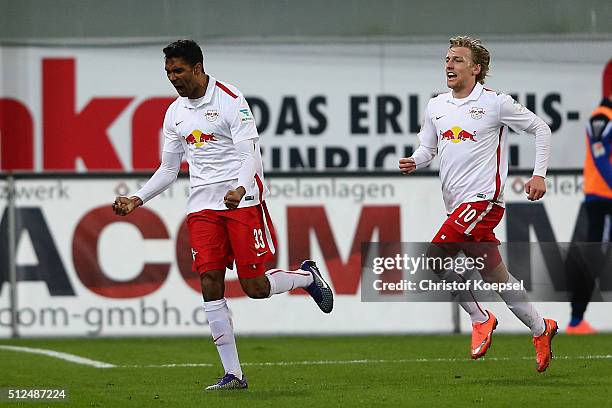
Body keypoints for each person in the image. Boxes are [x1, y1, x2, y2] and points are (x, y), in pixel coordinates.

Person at [112, 39, 333, 390]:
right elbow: (169, 170)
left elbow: (250, 155)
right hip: (202, 206)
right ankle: (234, 374)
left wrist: (241, 188)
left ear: (198, 68)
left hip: (241, 202)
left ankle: (306, 278)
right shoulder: (175, 113)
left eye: (178, 70)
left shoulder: (230, 100)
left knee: (255, 287)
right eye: (168, 71)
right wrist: (137, 199)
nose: (173, 78)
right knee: (209, 281)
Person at [399, 36, 557, 372]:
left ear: (476, 68)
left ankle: (480, 317)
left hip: (484, 202)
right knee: (499, 280)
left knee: (434, 257)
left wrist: (539, 175)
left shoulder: (495, 103)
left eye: (457, 59)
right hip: (456, 206)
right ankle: (542, 329)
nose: (449, 65)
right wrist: (415, 160)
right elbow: (428, 149)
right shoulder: (436, 106)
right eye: (447, 59)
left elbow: (541, 129)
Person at [566, 89, 612, 334]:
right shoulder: (602, 117)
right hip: (604, 200)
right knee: (596, 257)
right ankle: (576, 319)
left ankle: (576, 318)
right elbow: (599, 155)